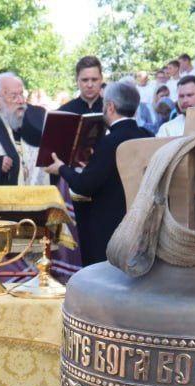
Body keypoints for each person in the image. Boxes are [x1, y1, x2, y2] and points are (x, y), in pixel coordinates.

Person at [43, 78, 152, 267]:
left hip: (111, 227)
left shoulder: (110, 142)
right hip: (142, 223)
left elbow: (84, 186)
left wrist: (61, 168)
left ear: (110, 107)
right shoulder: (146, 136)